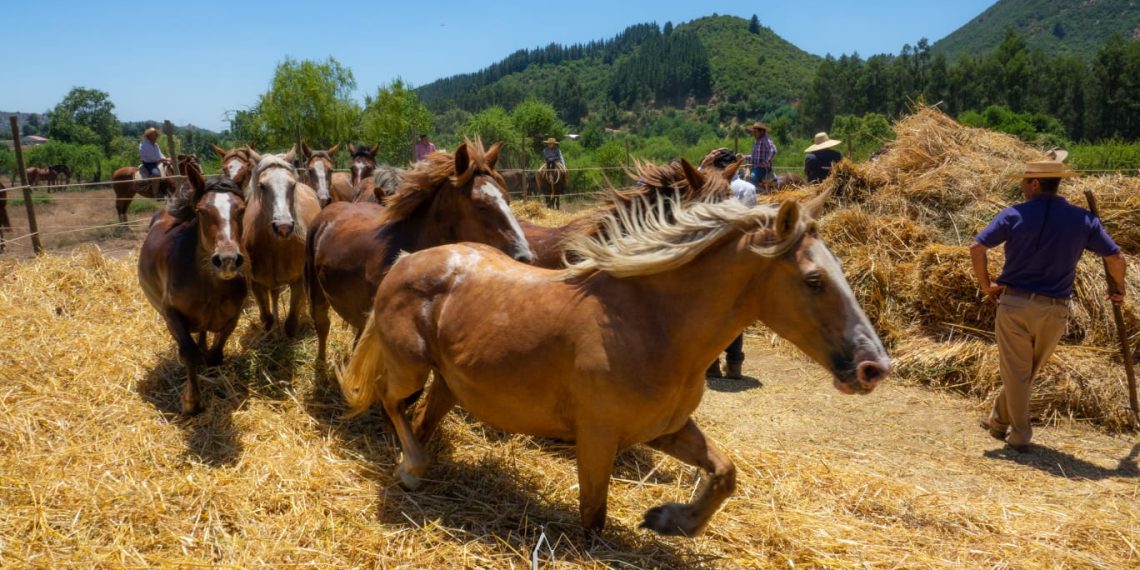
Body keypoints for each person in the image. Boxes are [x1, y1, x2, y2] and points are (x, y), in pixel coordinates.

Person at [971, 159, 1126, 452]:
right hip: (1056, 308)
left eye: (1024, 181)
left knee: (1018, 373)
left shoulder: (1014, 214)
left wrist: (985, 285)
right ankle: (998, 422)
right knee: (1025, 373)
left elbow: (977, 247)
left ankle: (1019, 435)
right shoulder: (1084, 220)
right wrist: (1118, 289)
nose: (1022, 187)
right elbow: (1116, 258)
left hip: (1015, 303)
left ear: (1035, 184)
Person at [699, 148, 755, 379]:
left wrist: (703, 165)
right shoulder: (749, 189)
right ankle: (734, 365)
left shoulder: (711, 186)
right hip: (740, 254)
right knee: (735, 310)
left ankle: (711, 364)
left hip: (713, 255)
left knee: (709, 311)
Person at [139, 127, 171, 195]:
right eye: (154, 134)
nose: (156, 136)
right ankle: (156, 193)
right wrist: (163, 159)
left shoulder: (155, 145)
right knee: (156, 174)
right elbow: (152, 157)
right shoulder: (144, 145)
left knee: (169, 169)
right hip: (149, 163)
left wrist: (166, 159)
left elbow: (160, 154)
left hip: (157, 162)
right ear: (149, 135)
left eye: (156, 134)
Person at [747, 122, 777, 187]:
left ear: (762, 132)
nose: (753, 134)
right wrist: (744, 157)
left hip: (762, 168)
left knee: (752, 177)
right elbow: (754, 157)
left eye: (755, 132)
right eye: (753, 132)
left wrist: (765, 162)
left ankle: (757, 193)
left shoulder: (765, 139)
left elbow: (773, 150)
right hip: (755, 167)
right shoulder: (757, 141)